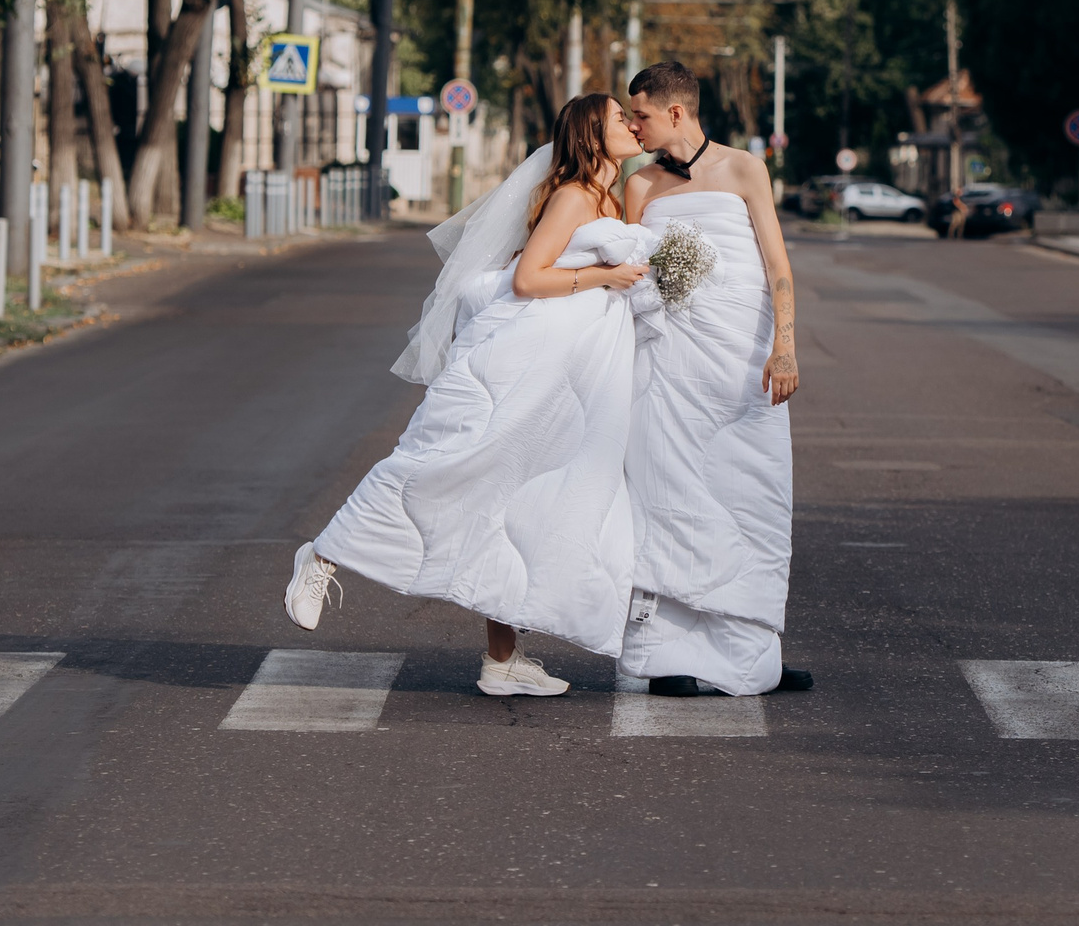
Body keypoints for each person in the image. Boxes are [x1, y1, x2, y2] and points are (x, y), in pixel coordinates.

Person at [283, 93, 653, 696]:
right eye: (620, 118)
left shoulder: (611, 196)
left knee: (513, 505)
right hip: (523, 361)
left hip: (570, 371)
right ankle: (324, 555)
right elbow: (530, 278)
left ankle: (501, 663)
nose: (632, 126)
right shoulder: (574, 196)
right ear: (591, 133)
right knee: (444, 466)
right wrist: (605, 277)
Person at [620, 60, 811, 697]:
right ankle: (668, 654)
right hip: (667, 364)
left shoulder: (745, 168)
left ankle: (753, 648)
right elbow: (630, 274)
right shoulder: (639, 184)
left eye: (640, 114)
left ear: (676, 112)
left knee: (750, 495)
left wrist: (783, 348)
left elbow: (777, 265)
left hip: (742, 365)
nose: (631, 124)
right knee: (666, 494)